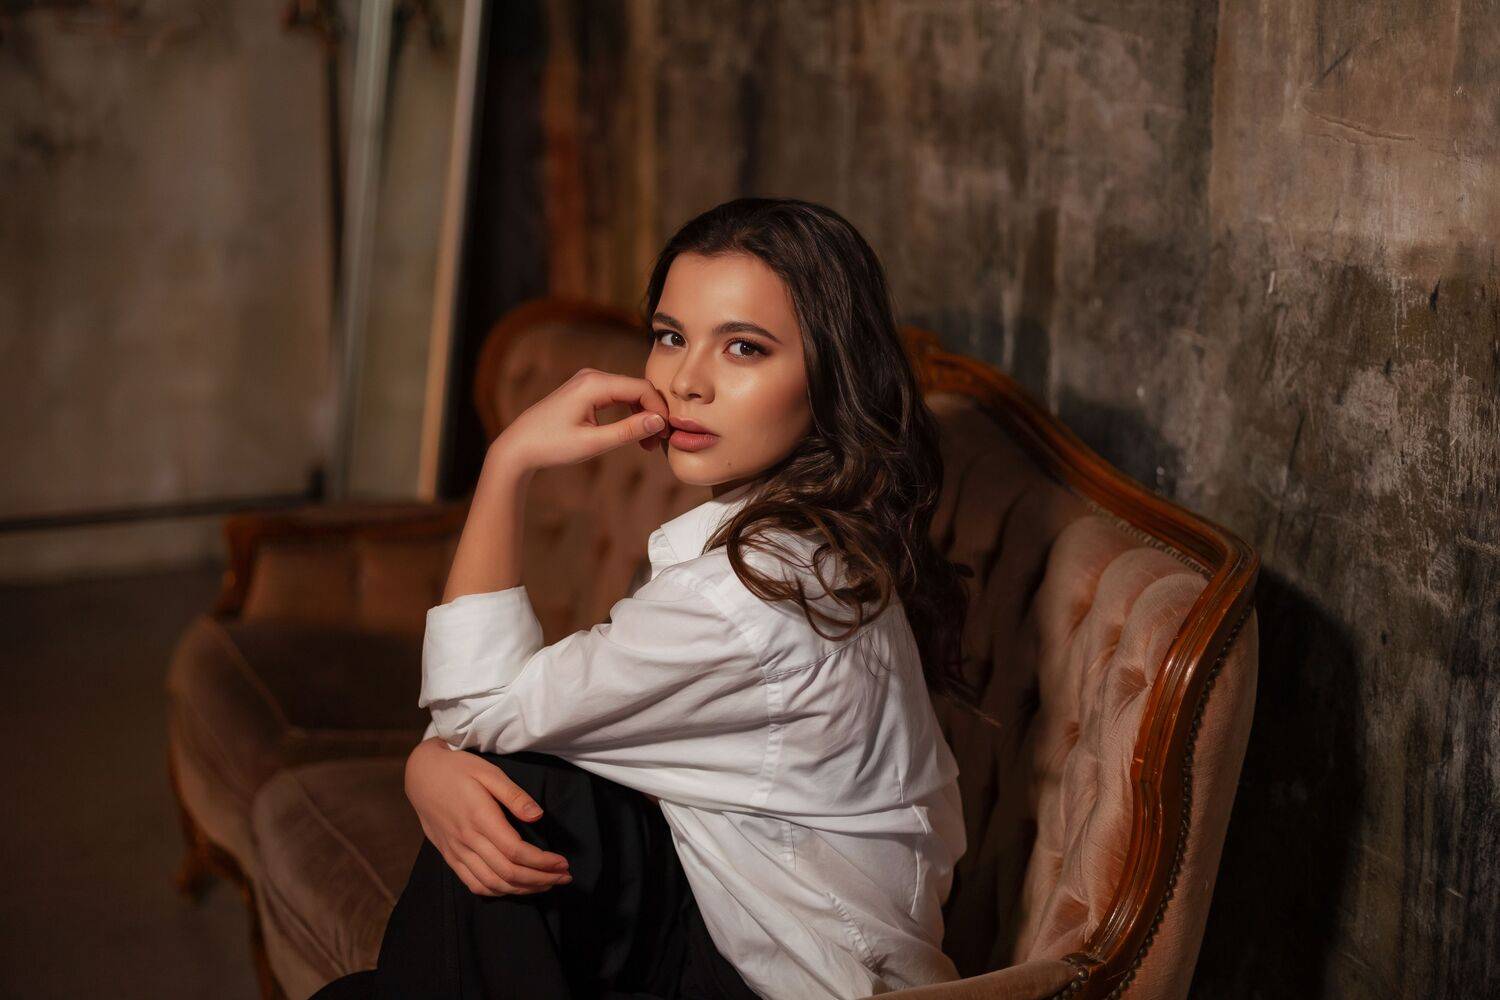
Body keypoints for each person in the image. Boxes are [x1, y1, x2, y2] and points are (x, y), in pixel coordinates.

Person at [312, 197, 973, 1000]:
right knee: (530, 789)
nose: (687, 381)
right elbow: (534, 715)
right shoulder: (798, 540)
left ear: (833, 375)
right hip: (712, 900)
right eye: (670, 336)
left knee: (515, 790)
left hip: (779, 981)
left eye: (744, 347)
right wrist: (445, 755)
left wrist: (508, 463)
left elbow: (479, 710)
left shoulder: (752, 597)